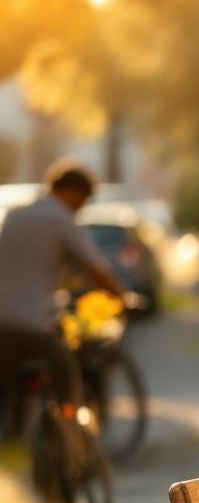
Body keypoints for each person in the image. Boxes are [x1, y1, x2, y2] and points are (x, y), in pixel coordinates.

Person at [0, 160, 126, 408]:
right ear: (71, 192)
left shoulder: (14, 215)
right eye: (83, 201)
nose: (81, 209)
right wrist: (123, 299)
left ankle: (16, 429)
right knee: (68, 378)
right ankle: (71, 435)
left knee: (10, 392)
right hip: (33, 326)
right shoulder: (60, 219)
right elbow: (96, 270)